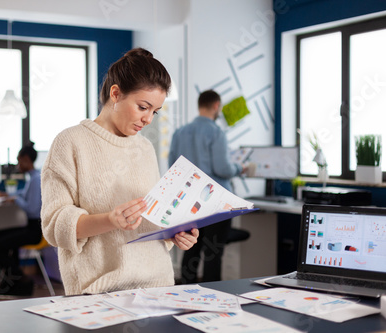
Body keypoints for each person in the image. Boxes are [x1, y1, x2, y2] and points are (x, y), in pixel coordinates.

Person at [41, 48, 199, 296]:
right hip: (98, 294)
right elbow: (54, 227)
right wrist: (110, 220)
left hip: (159, 288)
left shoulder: (145, 148)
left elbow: (149, 221)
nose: (148, 119)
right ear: (115, 93)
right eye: (143, 107)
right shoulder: (70, 143)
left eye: (154, 112)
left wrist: (174, 234)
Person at [168, 90, 246, 284]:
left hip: (188, 203)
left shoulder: (180, 132)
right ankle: (214, 295)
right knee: (213, 253)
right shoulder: (216, 132)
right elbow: (223, 168)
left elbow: (173, 168)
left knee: (190, 249)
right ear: (216, 106)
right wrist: (239, 168)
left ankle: (185, 291)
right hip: (215, 202)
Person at [0, 142, 42, 296]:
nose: (18, 164)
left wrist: (14, 200)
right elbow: (21, 194)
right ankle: (11, 281)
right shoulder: (31, 178)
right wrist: (5, 195)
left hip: (35, 230)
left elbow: (31, 208)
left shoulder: (37, 179)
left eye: (19, 160)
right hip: (30, 227)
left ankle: (19, 278)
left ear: (25, 159)